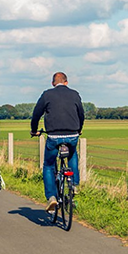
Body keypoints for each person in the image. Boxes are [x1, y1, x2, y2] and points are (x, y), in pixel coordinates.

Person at [31, 72, 84, 212]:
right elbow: (81, 114)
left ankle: (51, 197)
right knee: (72, 155)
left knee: (48, 165)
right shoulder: (75, 94)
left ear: (53, 83)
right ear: (66, 82)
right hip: (72, 134)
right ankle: (74, 184)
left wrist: (34, 130)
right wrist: (79, 129)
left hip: (54, 136)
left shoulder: (47, 94)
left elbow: (36, 114)